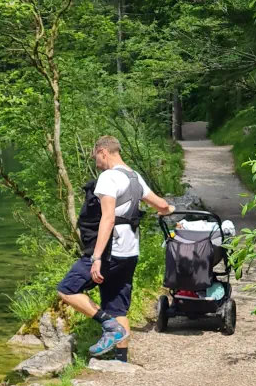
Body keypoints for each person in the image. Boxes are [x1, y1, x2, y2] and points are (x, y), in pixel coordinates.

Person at [56, 135, 174, 359]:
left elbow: (108, 219)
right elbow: (162, 205)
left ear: (103, 152)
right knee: (117, 307)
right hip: (130, 252)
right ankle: (121, 359)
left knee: (67, 289)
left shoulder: (108, 178)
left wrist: (97, 257)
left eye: (95, 157)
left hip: (111, 252)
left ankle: (109, 327)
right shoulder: (135, 177)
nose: (95, 162)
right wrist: (168, 209)